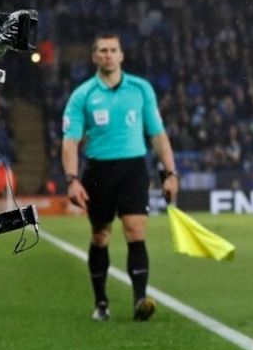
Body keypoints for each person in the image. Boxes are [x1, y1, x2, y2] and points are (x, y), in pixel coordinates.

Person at [61, 33, 178, 322]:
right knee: (100, 235)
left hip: (133, 169)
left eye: (113, 50)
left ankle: (140, 299)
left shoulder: (140, 89)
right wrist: (72, 179)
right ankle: (101, 302)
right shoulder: (83, 94)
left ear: (121, 55)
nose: (108, 55)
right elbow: (70, 140)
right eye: (102, 50)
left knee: (136, 230)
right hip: (98, 171)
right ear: (94, 56)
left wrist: (170, 173)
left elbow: (157, 134)